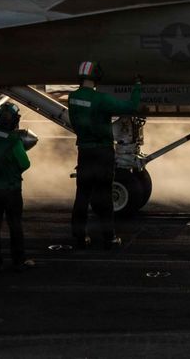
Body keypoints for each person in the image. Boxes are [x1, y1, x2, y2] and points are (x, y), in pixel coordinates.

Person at [68, 61, 142, 249]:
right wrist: (138, 86)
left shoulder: (72, 98)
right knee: (104, 197)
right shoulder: (100, 99)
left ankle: (79, 236)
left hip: (84, 152)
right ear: (97, 77)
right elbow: (131, 107)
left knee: (82, 196)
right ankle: (109, 238)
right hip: (102, 153)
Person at [0, 102, 33, 273]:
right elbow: (25, 163)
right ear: (15, 121)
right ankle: (19, 261)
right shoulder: (13, 139)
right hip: (10, 189)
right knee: (15, 225)